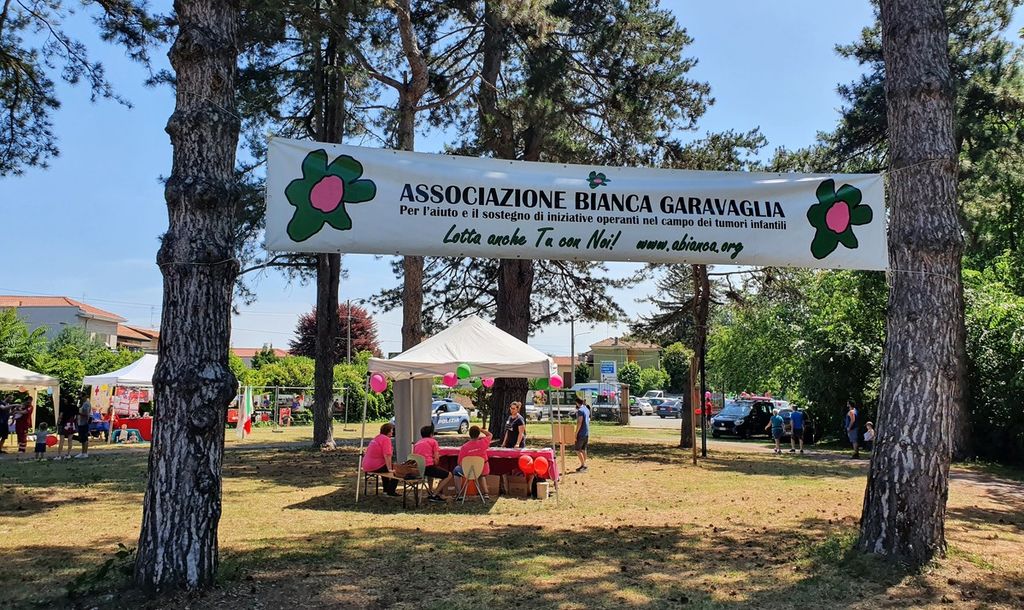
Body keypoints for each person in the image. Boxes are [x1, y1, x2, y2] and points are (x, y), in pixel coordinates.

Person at [413, 424, 454, 502]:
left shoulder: (417, 443)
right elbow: (436, 458)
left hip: (418, 469)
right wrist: (436, 463)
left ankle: (430, 491)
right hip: (428, 467)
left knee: (431, 475)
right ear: (431, 434)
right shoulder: (433, 442)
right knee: (449, 475)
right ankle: (435, 494)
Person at [455, 425, 493, 499]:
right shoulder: (483, 442)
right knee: (481, 475)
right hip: (483, 469)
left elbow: (459, 462)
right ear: (479, 434)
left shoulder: (464, 447)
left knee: (456, 471)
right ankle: (486, 493)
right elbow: (490, 435)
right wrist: (481, 429)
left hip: (469, 472)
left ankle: (459, 493)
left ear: (469, 434)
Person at [362, 423, 399, 496]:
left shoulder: (377, 437)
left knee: (385, 470)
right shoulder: (386, 439)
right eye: (392, 430)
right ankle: (391, 491)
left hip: (366, 465)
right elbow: (387, 455)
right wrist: (389, 469)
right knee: (398, 470)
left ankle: (386, 490)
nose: (393, 432)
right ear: (388, 431)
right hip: (375, 465)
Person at [574, 397, 590, 472]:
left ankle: (583, 465)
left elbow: (579, 422)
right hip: (586, 432)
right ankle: (584, 464)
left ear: (577, 403)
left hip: (581, 433)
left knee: (577, 450)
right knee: (583, 449)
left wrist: (576, 433)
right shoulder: (586, 409)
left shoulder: (580, 410)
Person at [76, 392, 92, 459]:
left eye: (81, 397)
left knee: (84, 438)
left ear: (84, 396)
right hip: (80, 422)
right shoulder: (82, 403)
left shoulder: (86, 404)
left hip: (84, 422)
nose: (80, 398)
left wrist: (79, 413)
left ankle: (85, 452)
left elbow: (87, 414)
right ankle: (82, 452)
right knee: (82, 438)